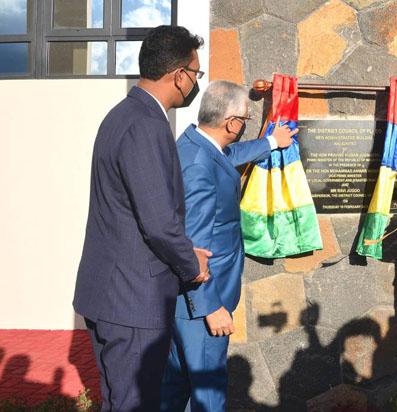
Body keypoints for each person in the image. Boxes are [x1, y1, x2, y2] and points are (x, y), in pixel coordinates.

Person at [73, 26, 211, 411]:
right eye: (196, 73)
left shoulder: (122, 115)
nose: (195, 83)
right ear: (179, 75)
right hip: (132, 301)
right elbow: (158, 222)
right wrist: (191, 264)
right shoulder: (145, 124)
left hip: (114, 295)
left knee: (120, 402)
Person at [159, 80, 298, 412]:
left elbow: (227, 156)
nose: (245, 124)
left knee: (174, 390)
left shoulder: (195, 145)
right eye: (245, 119)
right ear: (232, 123)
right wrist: (210, 306)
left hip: (182, 305)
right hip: (201, 305)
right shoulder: (199, 165)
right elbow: (193, 247)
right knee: (208, 396)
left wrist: (271, 141)